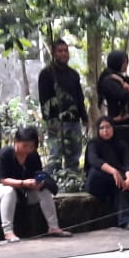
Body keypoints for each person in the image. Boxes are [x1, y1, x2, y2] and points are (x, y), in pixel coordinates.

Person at [0, 126, 72, 242]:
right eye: (25, 146)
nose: (27, 149)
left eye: (31, 146)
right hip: (0, 190)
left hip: (23, 193)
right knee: (9, 191)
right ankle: (8, 232)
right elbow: (2, 180)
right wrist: (23, 183)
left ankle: (53, 227)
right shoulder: (6, 153)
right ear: (16, 142)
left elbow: (36, 174)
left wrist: (38, 183)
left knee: (44, 191)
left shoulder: (33, 156)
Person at [84, 116, 129, 231]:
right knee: (96, 173)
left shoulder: (121, 144)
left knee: (121, 189)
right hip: (97, 184)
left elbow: (127, 162)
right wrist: (113, 171)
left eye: (108, 127)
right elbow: (94, 160)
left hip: (115, 183)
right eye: (102, 128)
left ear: (113, 128)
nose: (105, 131)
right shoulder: (93, 144)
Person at [37, 38, 87, 173]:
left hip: (73, 121)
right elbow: (44, 100)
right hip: (56, 122)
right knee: (55, 156)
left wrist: (84, 118)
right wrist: (50, 121)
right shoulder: (47, 74)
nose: (64, 54)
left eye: (66, 51)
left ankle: (72, 181)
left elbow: (79, 98)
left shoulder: (73, 74)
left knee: (74, 155)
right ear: (53, 53)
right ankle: (53, 184)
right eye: (60, 51)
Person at [96, 50, 129, 146]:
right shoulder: (108, 80)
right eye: (125, 63)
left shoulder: (120, 77)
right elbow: (122, 95)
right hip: (116, 120)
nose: (126, 66)